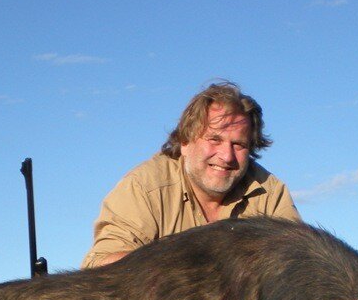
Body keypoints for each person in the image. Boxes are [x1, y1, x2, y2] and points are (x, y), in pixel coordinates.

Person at [80, 81, 300, 268]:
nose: (226, 156)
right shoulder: (143, 187)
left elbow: (297, 263)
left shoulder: (270, 192)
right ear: (185, 142)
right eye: (214, 139)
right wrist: (193, 267)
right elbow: (101, 265)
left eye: (239, 144)